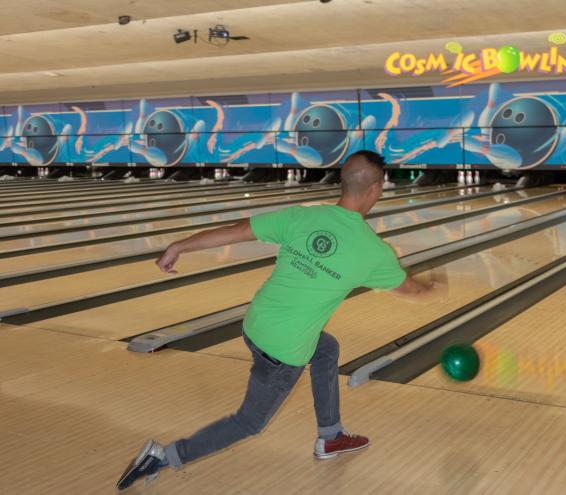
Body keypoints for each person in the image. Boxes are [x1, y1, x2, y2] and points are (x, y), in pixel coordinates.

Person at [117, 151, 444, 491]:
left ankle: (330, 436)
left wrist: (178, 245)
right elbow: (410, 290)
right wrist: (431, 285)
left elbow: (237, 231)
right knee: (248, 422)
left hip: (255, 324)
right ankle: (163, 455)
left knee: (327, 348)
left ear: (343, 182)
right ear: (376, 189)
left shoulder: (300, 217)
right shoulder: (374, 252)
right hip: (283, 352)